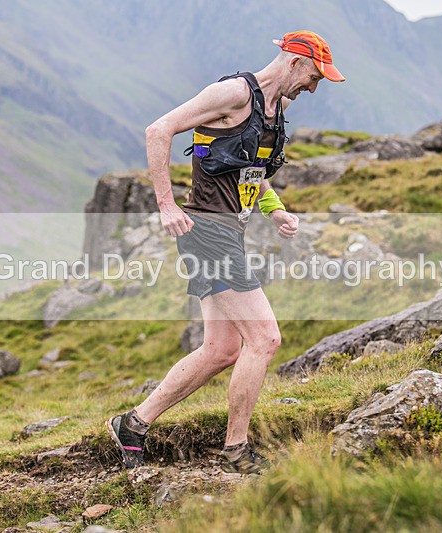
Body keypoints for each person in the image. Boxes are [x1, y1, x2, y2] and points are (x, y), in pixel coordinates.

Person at [107, 30, 345, 474]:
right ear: (294, 62)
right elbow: (158, 129)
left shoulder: (278, 108)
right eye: (314, 76)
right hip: (206, 232)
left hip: (230, 232)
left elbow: (250, 165)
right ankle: (236, 449)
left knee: (220, 350)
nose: (313, 88)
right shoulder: (233, 94)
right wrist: (165, 205)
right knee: (265, 338)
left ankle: (133, 424)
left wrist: (274, 210)